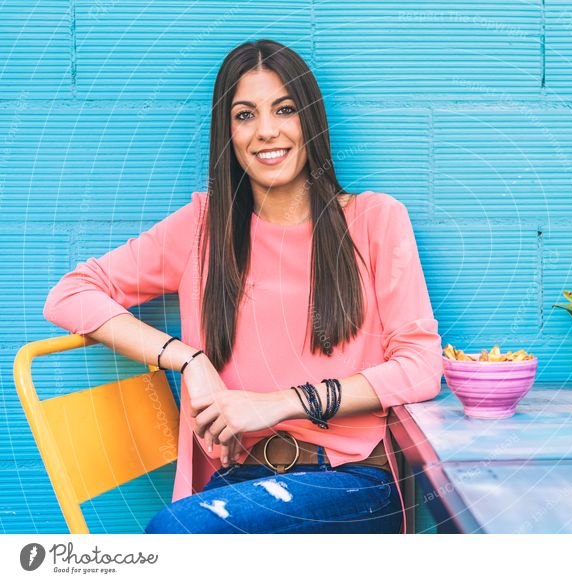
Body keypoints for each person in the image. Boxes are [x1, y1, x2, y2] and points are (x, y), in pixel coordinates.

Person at [42, 39, 443, 534]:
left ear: (309, 121)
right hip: (240, 480)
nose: (267, 131)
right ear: (227, 132)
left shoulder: (376, 220)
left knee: (175, 536)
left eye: (285, 109)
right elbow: (71, 293)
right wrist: (189, 360)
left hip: (352, 482)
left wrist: (275, 403)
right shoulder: (200, 231)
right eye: (245, 115)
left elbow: (421, 367)